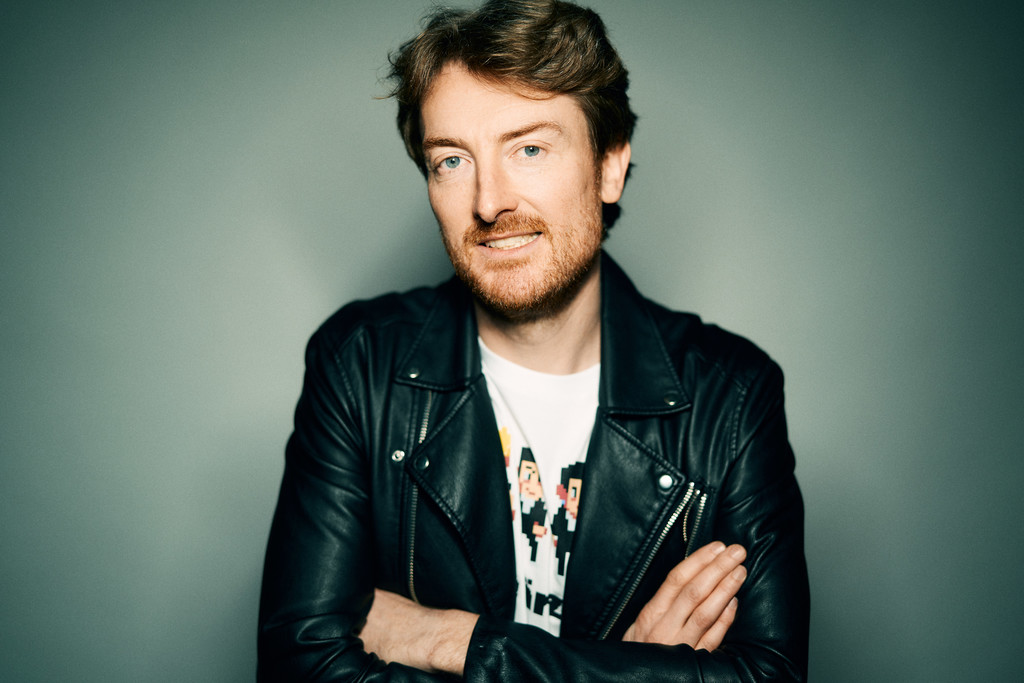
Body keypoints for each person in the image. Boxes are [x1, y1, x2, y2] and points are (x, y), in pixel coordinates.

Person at [257, 0, 809, 680]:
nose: (489, 202)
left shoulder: (731, 396)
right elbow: (298, 666)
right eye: (451, 160)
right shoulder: (360, 365)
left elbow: (767, 675)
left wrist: (456, 641)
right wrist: (631, 669)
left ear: (609, 166)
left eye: (529, 149)